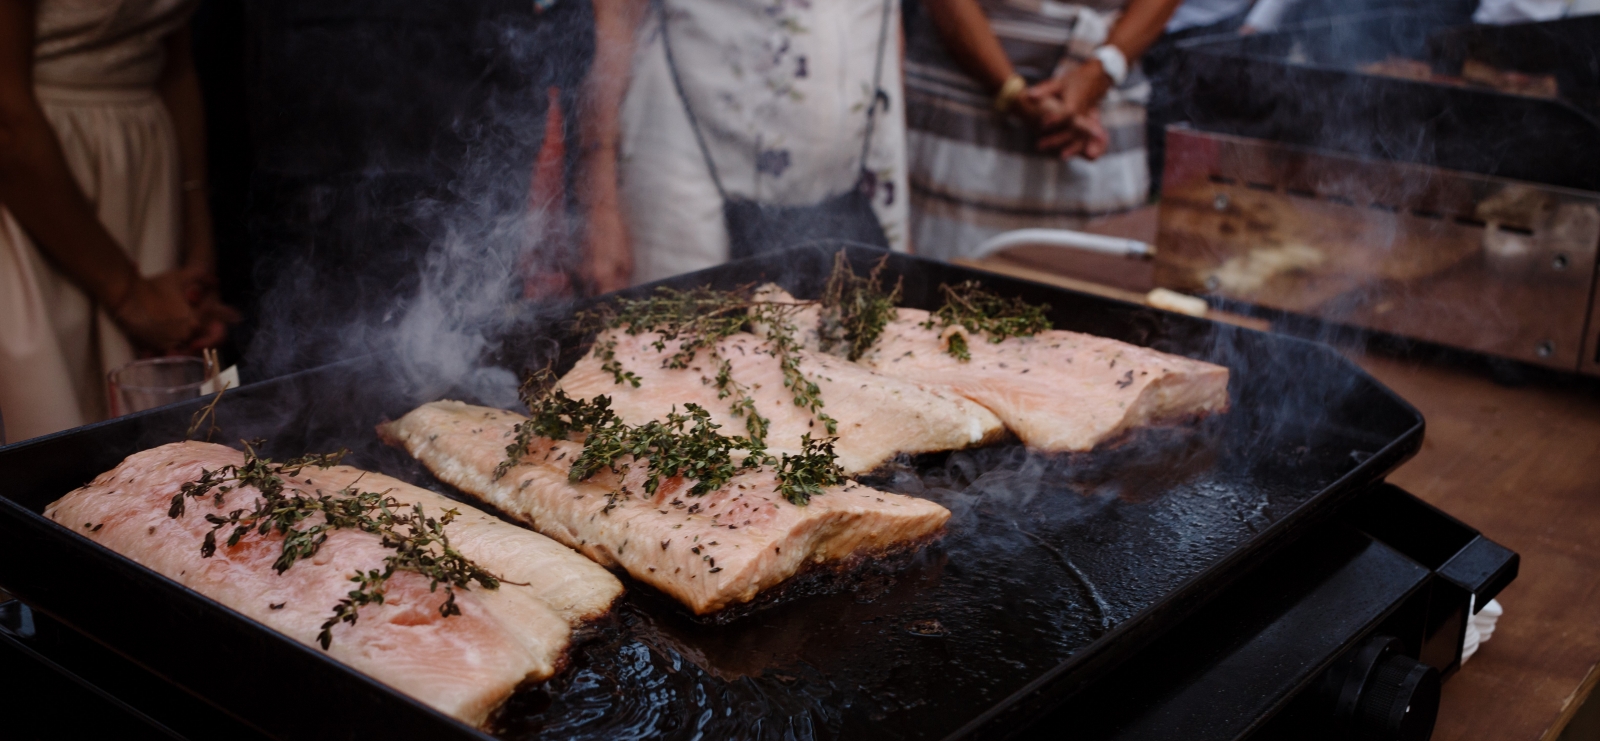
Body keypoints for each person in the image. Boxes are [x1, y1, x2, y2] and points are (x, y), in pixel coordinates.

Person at [0, 0, 231, 442]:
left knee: (161, 444)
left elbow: (175, 67)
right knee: (51, 434)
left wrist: (198, 252)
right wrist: (127, 293)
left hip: (146, 171)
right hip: (33, 172)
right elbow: (7, 119)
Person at [580, 0, 911, 292]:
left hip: (859, 160)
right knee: (677, 343)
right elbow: (617, 12)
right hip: (688, 157)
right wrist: (599, 202)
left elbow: (886, 19)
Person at [903, 0, 1185, 261]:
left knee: (1095, 283)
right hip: (965, 103)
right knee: (946, 288)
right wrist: (1010, 91)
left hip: (1104, 102)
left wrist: (1103, 69)